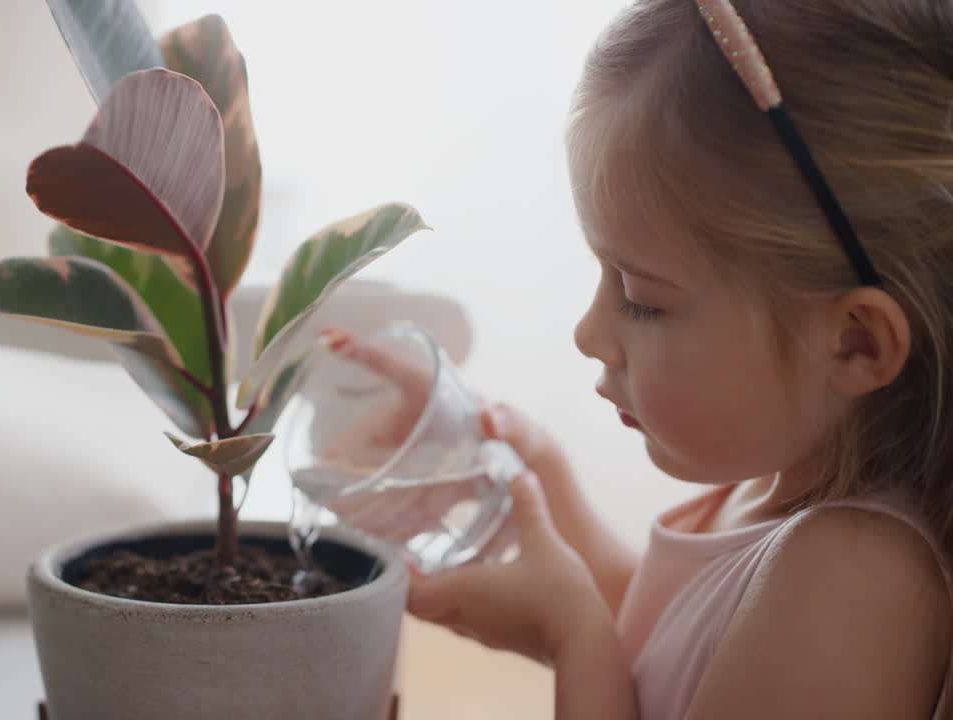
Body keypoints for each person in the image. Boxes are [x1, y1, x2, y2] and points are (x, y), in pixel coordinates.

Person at [343, 1, 953, 717]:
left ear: (856, 343)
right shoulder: (776, 494)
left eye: (642, 299)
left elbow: (629, 650)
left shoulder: (856, 581)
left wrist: (572, 636)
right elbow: (667, 635)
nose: (588, 334)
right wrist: (540, 485)